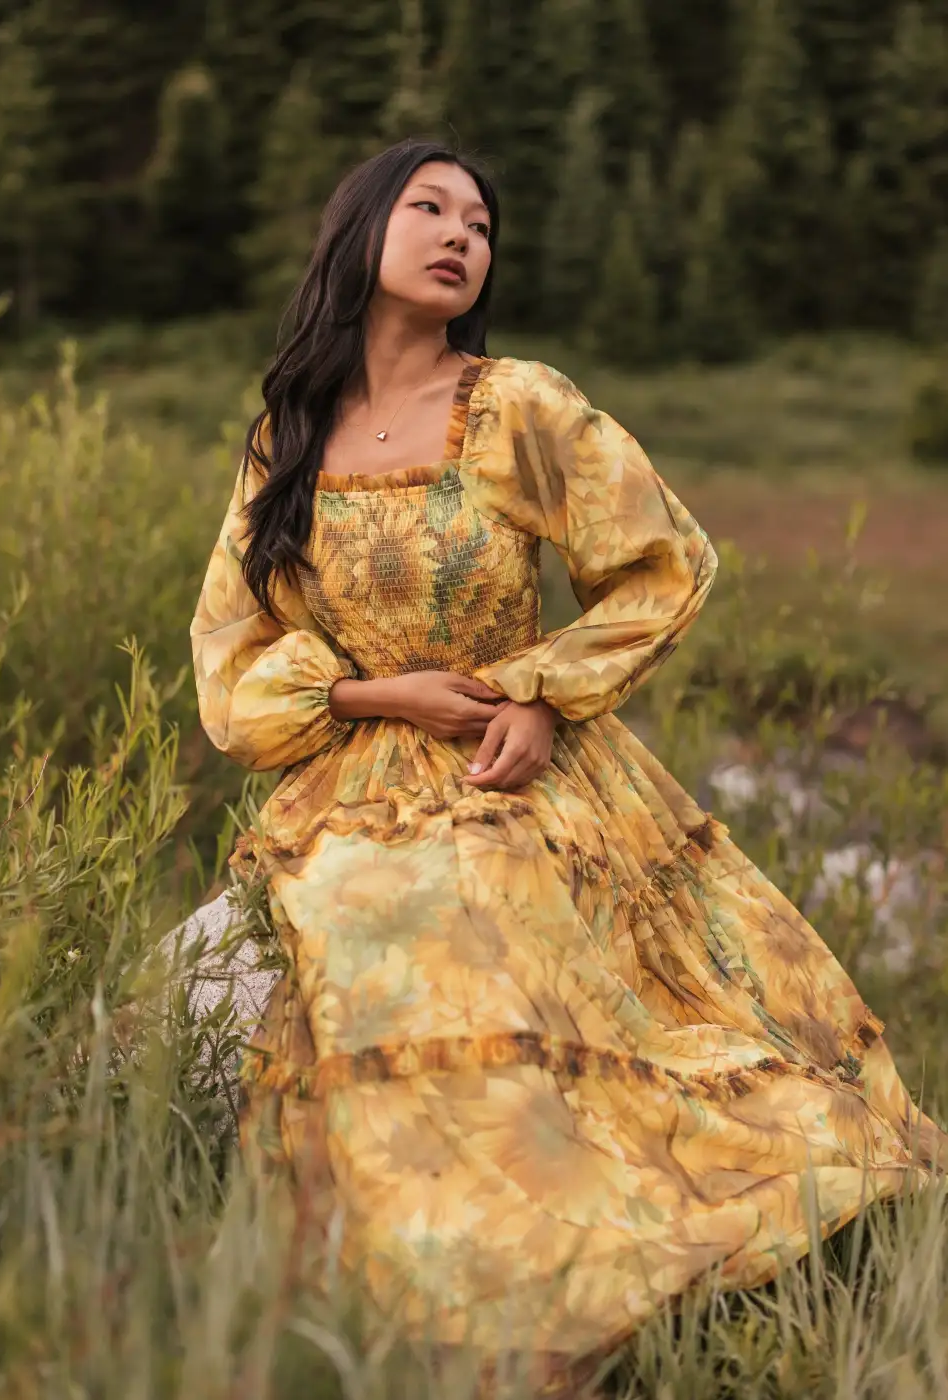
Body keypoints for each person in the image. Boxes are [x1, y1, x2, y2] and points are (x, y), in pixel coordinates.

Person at [190, 138, 944, 1389]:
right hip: (356, 766)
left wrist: (540, 691)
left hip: (511, 755)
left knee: (528, 973)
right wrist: (377, 691)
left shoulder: (518, 405)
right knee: (372, 950)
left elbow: (662, 561)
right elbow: (232, 656)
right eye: (428, 208)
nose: (459, 236)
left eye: (480, 224)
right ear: (358, 232)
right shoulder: (289, 434)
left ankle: (581, 1299)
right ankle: (422, 1310)